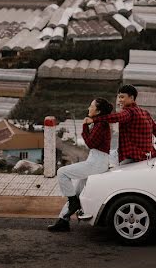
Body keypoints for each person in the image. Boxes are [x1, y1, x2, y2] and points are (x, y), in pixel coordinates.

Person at [48, 97, 114, 233]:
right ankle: (63, 221)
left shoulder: (101, 125)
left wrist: (84, 126)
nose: (88, 108)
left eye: (91, 106)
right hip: (96, 160)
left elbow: (90, 143)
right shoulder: (100, 123)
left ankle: (72, 204)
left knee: (62, 173)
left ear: (98, 111)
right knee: (75, 192)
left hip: (97, 162)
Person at [84, 84, 156, 165]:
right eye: (119, 97)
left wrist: (94, 119)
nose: (119, 100)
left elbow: (117, 117)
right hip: (148, 156)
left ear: (131, 98)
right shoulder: (146, 113)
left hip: (131, 156)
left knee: (96, 160)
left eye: (122, 97)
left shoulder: (129, 112)